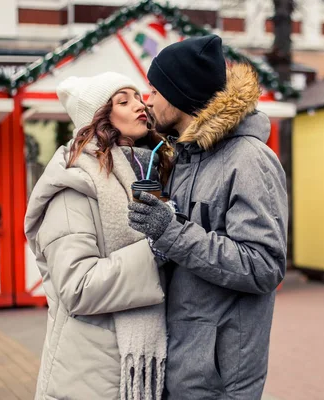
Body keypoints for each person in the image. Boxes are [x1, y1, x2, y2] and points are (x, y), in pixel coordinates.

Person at [127, 34, 288, 399]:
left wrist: (170, 232)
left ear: (180, 95)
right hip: (182, 366)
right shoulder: (185, 158)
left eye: (155, 90)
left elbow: (264, 266)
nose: (148, 100)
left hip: (220, 379)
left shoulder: (250, 160)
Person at [24, 72, 174, 400]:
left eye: (138, 96)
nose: (140, 104)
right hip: (87, 374)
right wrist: (157, 248)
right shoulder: (74, 187)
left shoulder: (147, 173)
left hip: (128, 368)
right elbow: (77, 287)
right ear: (99, 120)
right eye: (123, 100)